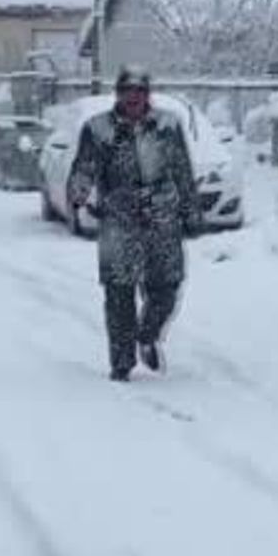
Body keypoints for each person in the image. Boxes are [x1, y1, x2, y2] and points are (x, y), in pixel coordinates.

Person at [69, 66, 201, 382]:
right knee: (119, 294)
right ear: (118, 94)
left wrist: (190, 209)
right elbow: (84, 167)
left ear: (147, 95)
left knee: (166, 288)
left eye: (140, 91)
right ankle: (122, 361)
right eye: (127, 91)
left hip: (162, 218)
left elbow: (182, 169)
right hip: (119, 219)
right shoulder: (99, 129)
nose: (134, 97)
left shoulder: (167, 126)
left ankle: (147, 334)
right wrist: (79, 191)